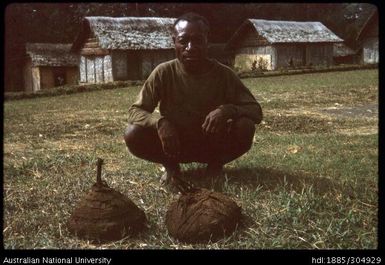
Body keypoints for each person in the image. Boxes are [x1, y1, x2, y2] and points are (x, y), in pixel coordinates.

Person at [124, 12, 263, 190]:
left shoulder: (224, 74)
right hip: (174, 145)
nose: (191, 47)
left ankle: (215, 165)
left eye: (198, 40)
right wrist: (160, 122)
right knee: (132, 133)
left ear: (207, 41)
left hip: (212, 144)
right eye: (183, 41)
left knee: (245, 126)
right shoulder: (163, 72)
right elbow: (135, 111)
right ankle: (171, 167)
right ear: (174, 42)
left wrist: (228, 110)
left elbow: (255, 111)